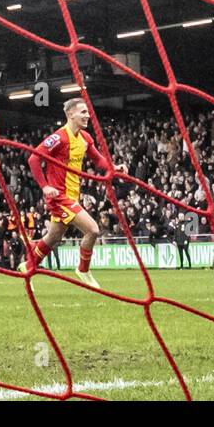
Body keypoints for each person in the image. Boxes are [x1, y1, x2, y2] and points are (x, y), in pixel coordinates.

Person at [22, 98, 126, 289]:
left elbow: (99, 160)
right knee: (93, 230)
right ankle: (83, 270)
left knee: (53, 237)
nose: (87, 116)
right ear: (70, 114)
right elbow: (33, 159)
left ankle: (28, 266)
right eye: (83, 112)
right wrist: (45, 186)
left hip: (72, 195)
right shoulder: (58, 138)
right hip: (59, 196)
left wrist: (114, 168)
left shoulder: (85, 138)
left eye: (88, 112)